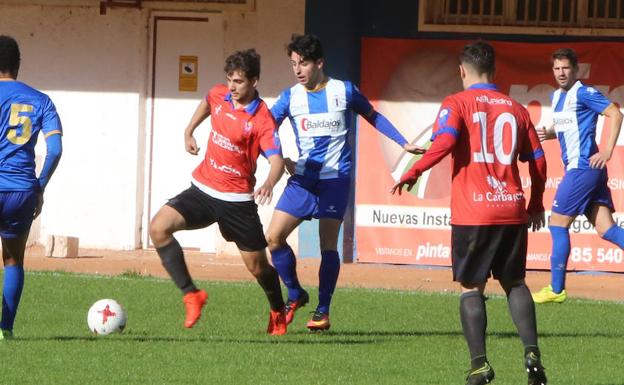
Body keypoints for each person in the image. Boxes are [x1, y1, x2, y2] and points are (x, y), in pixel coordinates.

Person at [392, 41, 548, 385]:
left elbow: (445, 142)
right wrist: (535, 202)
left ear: (462, 71)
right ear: (494, 70)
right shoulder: (515, 108)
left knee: (471, 288)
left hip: (474, 213)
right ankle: (532, 352)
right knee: (516, 283)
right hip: (511, 210)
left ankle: (479, 365)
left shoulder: (457, 102)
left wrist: (414, 171)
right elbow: (538, 159)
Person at [267, 34, 424, 331]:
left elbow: (374, 116)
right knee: (273, 238)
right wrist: (278, 157)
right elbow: (265, 129)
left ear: (320, 63)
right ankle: (295, 293)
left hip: (335, 179)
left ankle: (322, 311)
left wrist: (402, 143)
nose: (297, 70)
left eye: (303, 63)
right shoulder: (290, 97)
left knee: (328, 244)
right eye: (293, 64)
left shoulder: (345, 91)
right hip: (302, 179)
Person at [149, 49, 288, 335]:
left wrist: (268, 183)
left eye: (239, 81)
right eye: (230, 80)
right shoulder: (219, 94)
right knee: (159, 228)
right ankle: (191, 294)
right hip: (202, 189)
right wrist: (189, 131)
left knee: (258, 267)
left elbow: (277, 161)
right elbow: (206, 104)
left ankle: (277, 310)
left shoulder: (262, 119)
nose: (233, 87)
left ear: (254, 81)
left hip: (237, 203)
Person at [532, 48, 624, 304]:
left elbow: (616, 113)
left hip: (582, 168)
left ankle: (556, 288)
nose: (561, 73)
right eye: (557, 68)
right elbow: (570, 126)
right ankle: (556, 288)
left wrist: (606, 150)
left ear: (576, 70)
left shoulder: (583, 92)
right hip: (585, 170)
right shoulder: (558, 96)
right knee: (607, 229)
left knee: (558, 224)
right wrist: (549, 134)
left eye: (566, 68)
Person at [0, 35, 63, 340]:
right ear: (18, 65)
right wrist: (39, 186)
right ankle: (5, 329)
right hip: (22, 189)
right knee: (13, 259)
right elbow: (55, 150)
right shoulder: (41, 100)